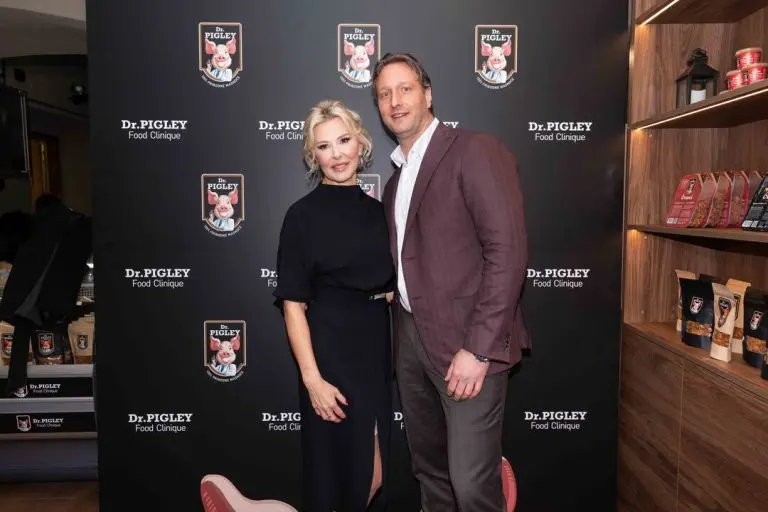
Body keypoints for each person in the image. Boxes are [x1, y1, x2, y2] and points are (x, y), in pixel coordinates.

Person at [372, 53, 530, 511]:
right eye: (384, 94)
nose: (395, 101)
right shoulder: (394, 182)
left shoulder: (474, 150)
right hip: (410, 340)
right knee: (431, 473)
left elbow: (507, 253)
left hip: (468, 343)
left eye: (405, 89)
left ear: (428, 94)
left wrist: (479, 349)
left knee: (471, 483)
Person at [273, 99, 396, 511]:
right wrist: (313, 381)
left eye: (344, 141)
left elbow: (393, 283)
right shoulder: (301, 217)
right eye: (324, 146)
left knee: (374, 471)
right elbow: (293, 306)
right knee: (334, 473)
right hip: (328, 354)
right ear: (314, 156)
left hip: (375, 352)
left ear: (361, 143)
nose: (337, 154)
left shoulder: (382, 213)